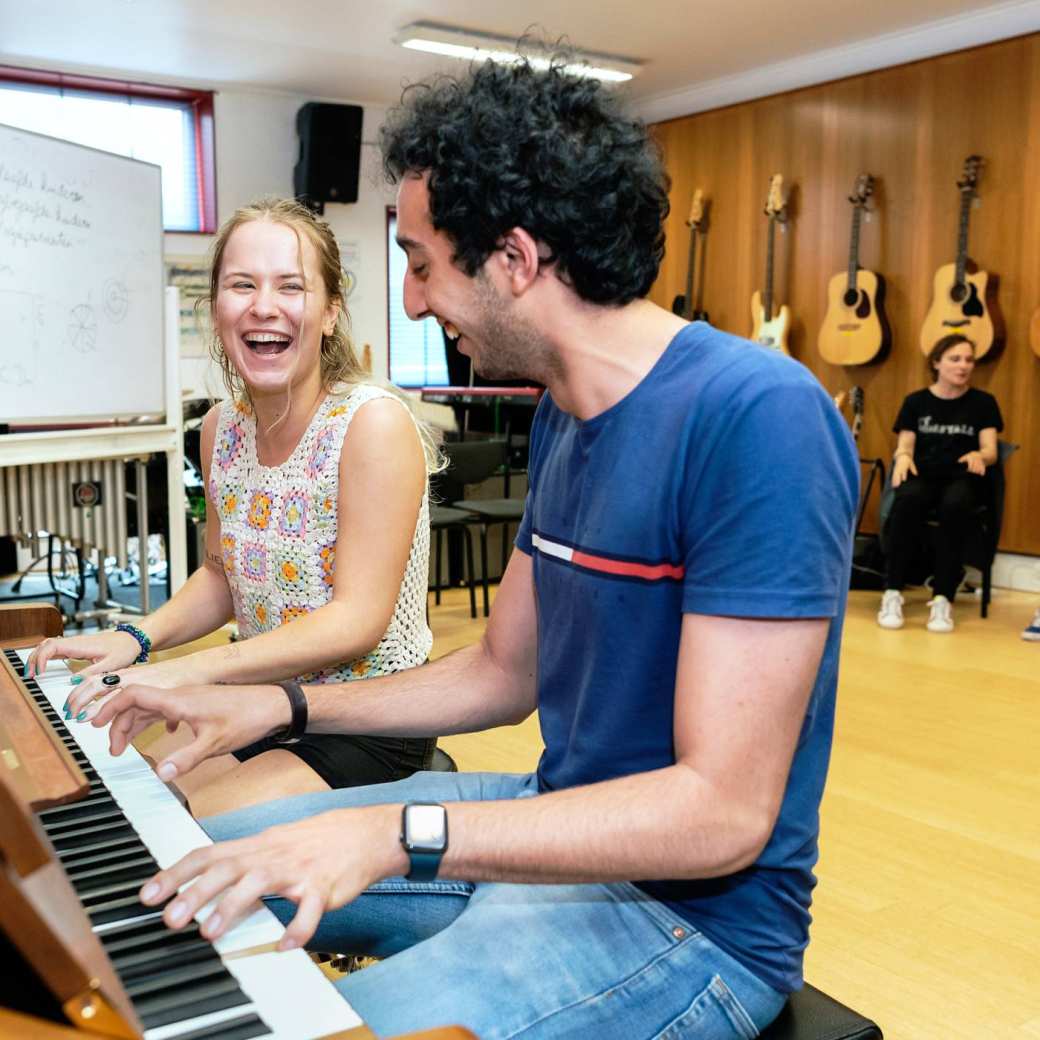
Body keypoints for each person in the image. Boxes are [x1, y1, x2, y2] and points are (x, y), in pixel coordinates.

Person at [90, 58, 858, 1039]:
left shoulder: (757, 417)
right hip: (547, 818)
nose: (410, 303)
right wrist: (278, 701)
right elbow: (503, 671)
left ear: (513, 259)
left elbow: (720, 811)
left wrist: (388, 825)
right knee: (167, 878)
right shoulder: (567, 415)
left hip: (685, 925)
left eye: (419, 262)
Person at [30, 198, 442, 817]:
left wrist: (195, 671)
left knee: (180, 829)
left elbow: (358, 619)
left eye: (291, 286)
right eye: (241, 284)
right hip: (260, 702)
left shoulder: (372, 425)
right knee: (133, 799)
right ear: (217, 306)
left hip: (368, 722)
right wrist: (136, 638)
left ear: (331, 312)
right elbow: (224, 577)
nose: (263, 305)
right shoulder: (220, 429)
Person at [877, 333, 1003, 633]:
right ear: (936, 362)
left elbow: (991, 451)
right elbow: (905, 445)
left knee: (955, 505)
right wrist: (903, 457)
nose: (963, 366)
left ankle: (943, 597)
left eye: (969, 360)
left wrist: (979, 455)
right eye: (955, 359)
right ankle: (892, 592)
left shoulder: (983, 403)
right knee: (907, 502)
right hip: (925, 475)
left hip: (962, 476)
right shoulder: (916, 402)